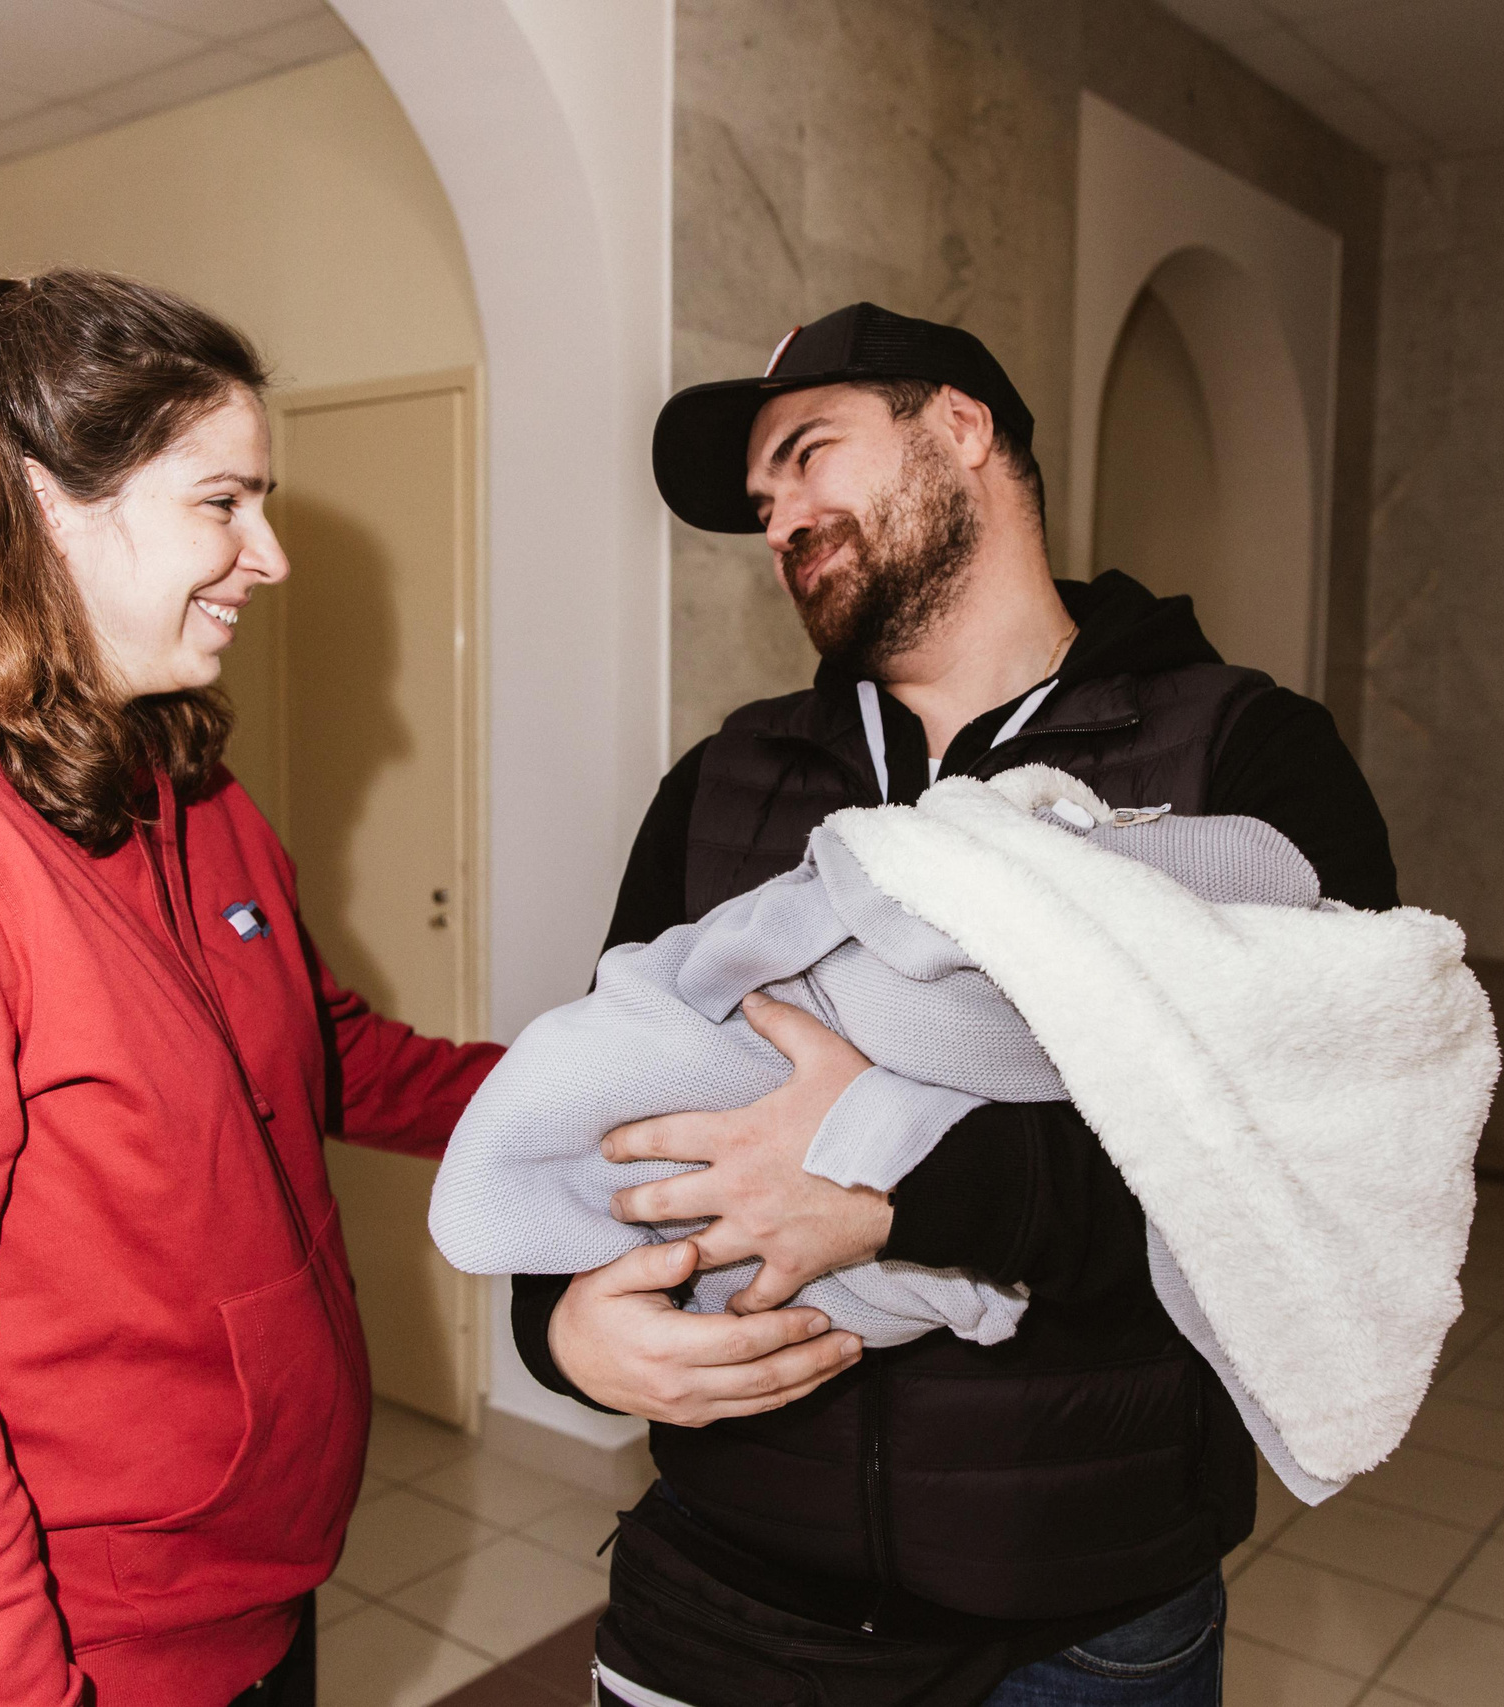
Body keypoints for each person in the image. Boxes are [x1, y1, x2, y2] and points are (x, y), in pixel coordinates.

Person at [514, 303, 1401, 1705]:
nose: (780, 519)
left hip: (1078, 1621)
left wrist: (897, 1187)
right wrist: (560, 1333)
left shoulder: (1243, 759)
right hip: (732, 1590)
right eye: (760, 501)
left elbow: (1333, 1165)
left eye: (809, 454)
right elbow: (593, 1098)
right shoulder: (724, 784)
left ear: (963, 427)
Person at [0, 268, 501, 1707]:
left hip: (239, 1594)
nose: (268, 556)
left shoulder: (182, 782)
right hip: (45, 1652)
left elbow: (328, 1055)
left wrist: (621, 1092)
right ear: (43, 504)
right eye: (222, 502)